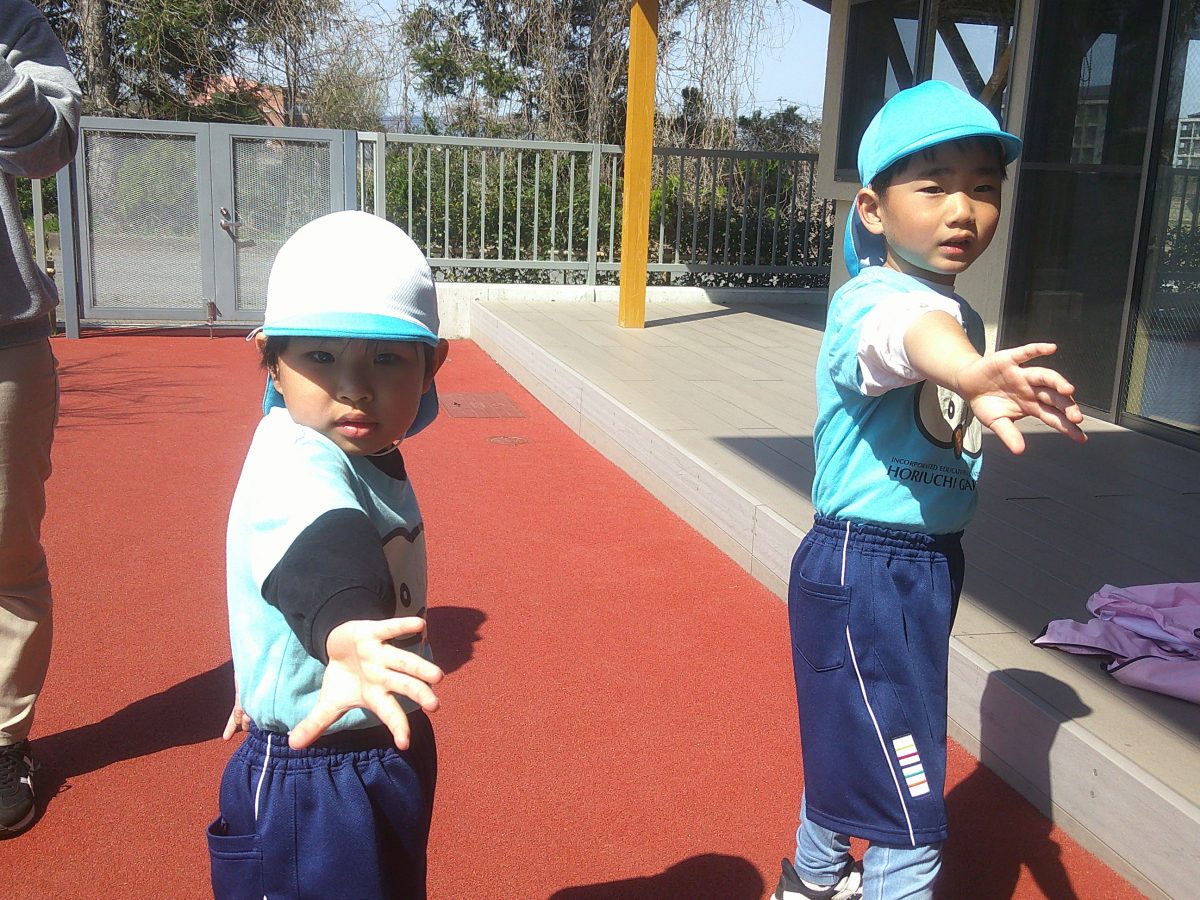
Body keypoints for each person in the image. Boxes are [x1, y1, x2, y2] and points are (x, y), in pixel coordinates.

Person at [772, 81, 1087, 900]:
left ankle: (811, 878)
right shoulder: (870, 301)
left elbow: (941, 333)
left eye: (983, 188)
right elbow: (906, 338)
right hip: (866, 568)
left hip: (924, 563)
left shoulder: (959, 317)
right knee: (908, 796)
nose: (963, 210)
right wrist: (969, 372)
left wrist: (973, 368)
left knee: (870, 739)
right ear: (873, 210)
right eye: (935, 186)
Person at [208, 210, 450, 898]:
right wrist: (346, 630)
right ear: (271, 362)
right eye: (320, 357)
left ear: (431, 367)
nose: (354, 385)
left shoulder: (361, 447)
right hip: (314, 770)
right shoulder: (298, 456)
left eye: (386, 358)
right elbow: (322, 548)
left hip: (376, 733)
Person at [0, 0, 81, 837]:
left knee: (6, 554)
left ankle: (2, 743)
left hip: (3, 337)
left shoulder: (13, 22)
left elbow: (48, 146)